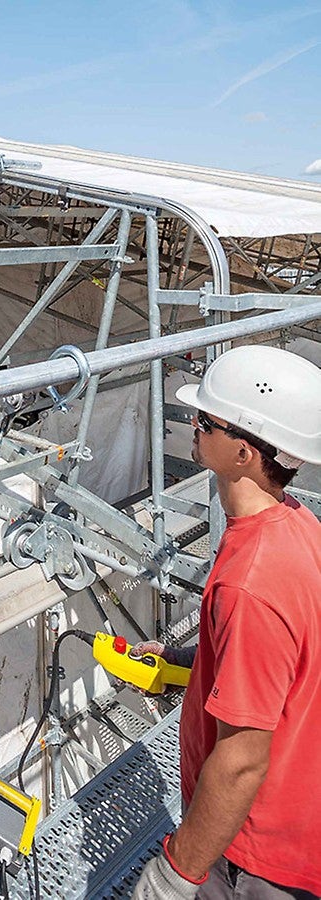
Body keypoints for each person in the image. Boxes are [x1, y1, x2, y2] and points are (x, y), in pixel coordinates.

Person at [131, 344, 321, 900]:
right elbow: (287, 656)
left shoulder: (251, 581)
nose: (193, 426)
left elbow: (240, 762)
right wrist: (191, 659)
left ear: (243, 452)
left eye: (206, 421)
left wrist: (173, 876)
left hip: (253, 854)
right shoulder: (298, 526)